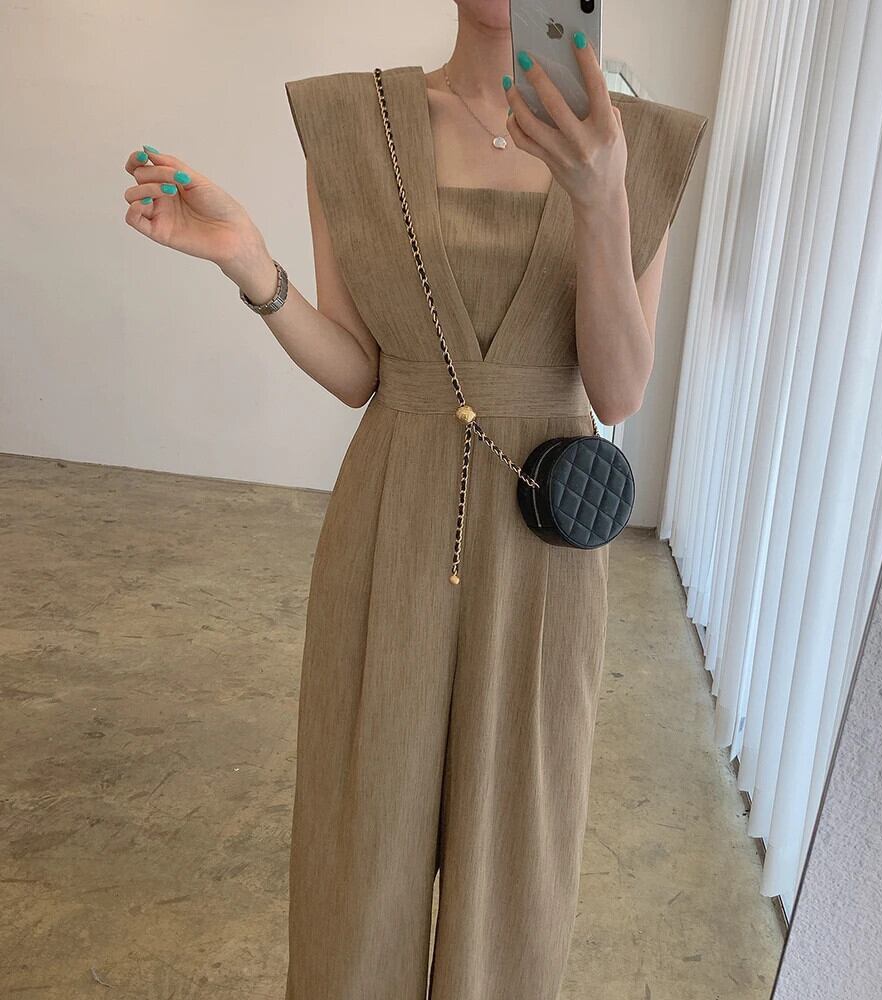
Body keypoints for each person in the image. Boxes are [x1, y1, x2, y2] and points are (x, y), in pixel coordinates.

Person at [122, 1, 707, 996]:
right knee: (360, 849)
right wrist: (251, 264)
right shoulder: (353, 124)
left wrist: (602, 199)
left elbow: (616, 392)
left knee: (515, 862)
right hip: (388, 523)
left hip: (543, 551)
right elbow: (360, 370)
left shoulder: (636, 146)